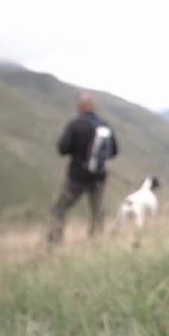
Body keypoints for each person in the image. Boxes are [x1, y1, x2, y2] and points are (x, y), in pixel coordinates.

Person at [47, 91, 119, 245]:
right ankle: (96, 243)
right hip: (99, 176)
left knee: (58, 209)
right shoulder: (104, 125)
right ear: (93, 106)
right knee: (97, 212)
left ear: (79, 107)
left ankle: (54, 245)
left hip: (77, 177)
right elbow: (114, 151)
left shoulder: (75, 125)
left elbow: (62, 149)